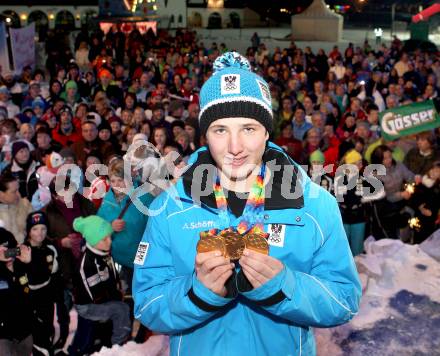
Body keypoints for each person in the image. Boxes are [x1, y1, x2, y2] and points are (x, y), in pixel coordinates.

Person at [133, 52, 361, 355]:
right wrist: (197, 294)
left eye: (248, 129)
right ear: (205, 135)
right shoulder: (171, 208)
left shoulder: (315, 205)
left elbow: (344, 299)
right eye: (220, 130)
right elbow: (147, 304)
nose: (235, 147)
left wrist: (284, 286)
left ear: (267, 131)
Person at [71, 215, 131, 346]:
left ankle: (114, 337)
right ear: (93, 240)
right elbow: (95, 296)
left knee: (127, 299)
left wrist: (119, 289)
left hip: (103, 298)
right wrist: (116, 295)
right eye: (104, 239)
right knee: (121, 309)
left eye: (110, 237)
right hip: (87, 306)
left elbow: (113, 276)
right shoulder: (87, 264)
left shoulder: (104, 253)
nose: (109, 241)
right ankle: (117, 345)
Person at [23, 211, 61, 356]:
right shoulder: (22, 250)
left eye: (43, 228)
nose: (40, 233)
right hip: (29, 296)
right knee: (36, 332)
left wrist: (57, 296)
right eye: (35, 229)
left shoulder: (50, 249)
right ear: (28, 231)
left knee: (48, 327)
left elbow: (54, 273)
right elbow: (20, 277)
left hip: (46, 295)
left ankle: (48, 347)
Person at [0, 226, 34, 356]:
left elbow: (38, 286)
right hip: (3, 334)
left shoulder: (22, 266)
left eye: (8, 249)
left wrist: (29, 263)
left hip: (24, 329)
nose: (5, 252)